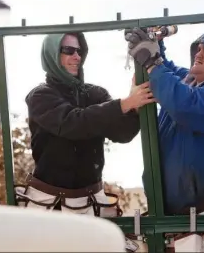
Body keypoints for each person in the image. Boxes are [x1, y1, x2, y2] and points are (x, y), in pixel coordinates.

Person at [125, 28, 204, 252]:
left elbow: (182, 102)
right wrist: (156, 45)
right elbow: (168, 73)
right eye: (198, 49)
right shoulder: (191, 83)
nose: (198, 55)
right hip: (183, 221)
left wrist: (152, 60)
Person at [15, 32, 154, 218]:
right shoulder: (40, 96)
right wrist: (126, 103)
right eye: (68, 50)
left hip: (93, 202)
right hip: (48, 204)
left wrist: (135, 107)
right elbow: (73, 123)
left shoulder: (95, 94)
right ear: (52, 55)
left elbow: (122, 133)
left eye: (79, 51)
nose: (76, 57)